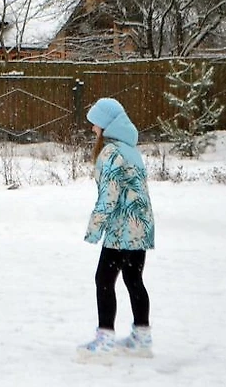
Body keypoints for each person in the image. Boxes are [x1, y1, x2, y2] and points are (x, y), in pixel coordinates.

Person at [77, 98, 155, 359]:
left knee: (104, 280)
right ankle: (142, 338)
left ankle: (105, 339)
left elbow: (108, 196)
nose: (92, 129)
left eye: (95, 123)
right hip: (140, 227)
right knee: (134, 280)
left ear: (107, 124)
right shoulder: (130, 149)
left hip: (122, 228)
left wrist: (94, 228)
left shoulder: (111, 152)